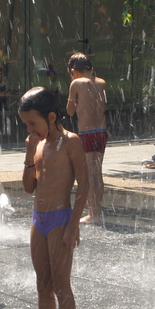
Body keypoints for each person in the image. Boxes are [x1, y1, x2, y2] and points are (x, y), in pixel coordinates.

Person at [17, 86, 89, 309]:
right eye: (26, 125)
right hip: (39, 220)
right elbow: (27, 187)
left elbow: (84, 185)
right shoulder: (38, 145)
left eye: (32, 123)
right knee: (42, 286)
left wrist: (74, 224)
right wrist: (28, 152)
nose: (30, 129)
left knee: (61, 287)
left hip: (60, 220)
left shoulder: (71, 143)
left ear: (50, 116)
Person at [65, 53, 108, 224]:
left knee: (90, 172)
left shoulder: (76, 83)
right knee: (97, 171)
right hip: (102, 131)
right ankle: (97, 210)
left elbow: (69, 111)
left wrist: (74, 96)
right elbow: (102, 106)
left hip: (87, 133)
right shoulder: (102, 83)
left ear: (74, 71)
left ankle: (93, 214)